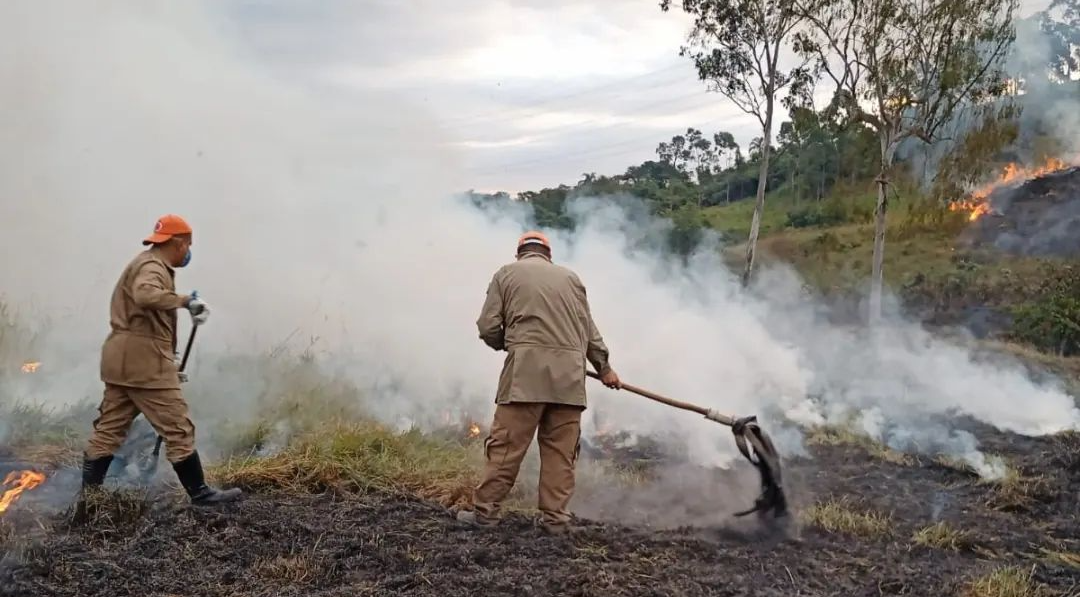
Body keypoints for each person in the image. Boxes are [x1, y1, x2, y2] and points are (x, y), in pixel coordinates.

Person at [458, 230, 620, 534]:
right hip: (569, 382)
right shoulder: (571, 278)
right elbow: (590, 333)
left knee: (506, 448)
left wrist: (511, 345)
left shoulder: (506, 274)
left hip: (524, 378)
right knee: (561, 455)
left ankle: (486, 515)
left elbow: (488, 325)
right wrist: (605, 368)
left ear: (520, 253)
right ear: (548, 255)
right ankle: (555, 521)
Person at [80, 214, 242, 505]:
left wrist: (169, 356)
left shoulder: (146, 262)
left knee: (109, 428)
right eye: (188, 245)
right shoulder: (152, 266)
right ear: (178, 243)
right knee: (178, 426)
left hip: (121, 358)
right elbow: (145, 294)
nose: (188, 252)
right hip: (144, 362)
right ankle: (201, 495)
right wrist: (185, 301)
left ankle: (88, 498)